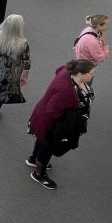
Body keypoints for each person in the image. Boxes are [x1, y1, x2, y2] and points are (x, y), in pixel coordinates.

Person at [27, 59, 95, 189]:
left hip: (44, 115)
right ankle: (39, 173)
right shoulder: (65, 91)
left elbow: (58, 69)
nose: (93, 75)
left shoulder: (67, 71)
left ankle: (33, 159)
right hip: (52, 123)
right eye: (91, 73)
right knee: (47, 146)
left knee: (41, 142)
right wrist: (62, 127)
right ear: (80, 73)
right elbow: (52, 111)